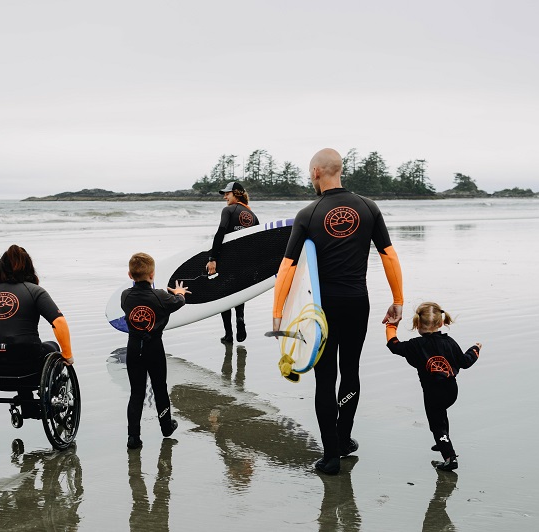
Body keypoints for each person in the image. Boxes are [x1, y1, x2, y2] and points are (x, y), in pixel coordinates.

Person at [272, 148, 404, 475]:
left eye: (309, 173)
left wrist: (278, 313)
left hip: (322, 308)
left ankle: (331, 455)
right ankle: (344, 440)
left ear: (317, 172)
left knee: (324, 377)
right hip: (358, 301)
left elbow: (287, 268)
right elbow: (388, 255)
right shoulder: (368, 207)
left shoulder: (308, 213)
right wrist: (398, 299)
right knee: (351, 370)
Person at [0, 245, 74, 418]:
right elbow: (59, 322)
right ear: (29, 267)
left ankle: (27, 405)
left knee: (13, 351)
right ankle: (47, 399)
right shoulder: (34, 291)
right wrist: (67, 354)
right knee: (51, 347)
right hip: (28, 368)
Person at [386, 302, 481, 471]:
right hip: (452, 391)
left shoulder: (415, 345)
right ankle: (443, 441)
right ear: (441, 323)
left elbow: (394, 345)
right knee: (442, 416)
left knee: (437, 426)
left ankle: (449, 457)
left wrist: (391, 325)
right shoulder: (449, 342)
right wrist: (475, 349)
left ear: (417, 324)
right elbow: (465, 362)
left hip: (432, 394)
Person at [121, 252, 190, 449]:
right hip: (154, 348)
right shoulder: (160, 296)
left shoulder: (125, 296)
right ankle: (166, 426)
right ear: (152, 275)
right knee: (160, 388)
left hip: (133, 347)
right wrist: (178, 293)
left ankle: (133, 437)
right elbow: (179, 302)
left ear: (129, 275)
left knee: (136, 393)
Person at [206, 181, 259, 344]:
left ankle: (228, 334)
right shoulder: (253, 216)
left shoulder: (228, 210)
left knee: (225, 295)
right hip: (244, 262)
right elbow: (257, 241)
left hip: (227, 259)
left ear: (236, 194)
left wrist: (212, 258)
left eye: (227, 194)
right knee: (238, 292)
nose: (224, 197)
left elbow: (220, 232)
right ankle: (240, 320)